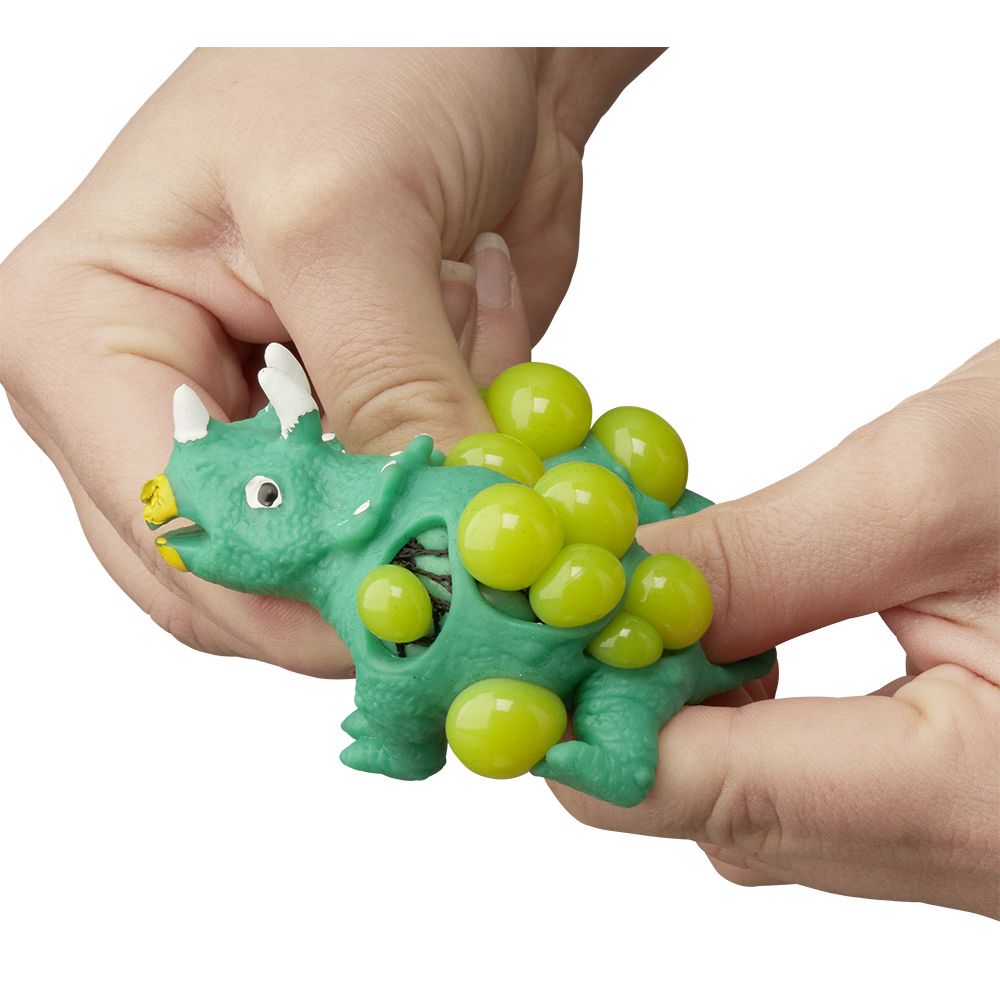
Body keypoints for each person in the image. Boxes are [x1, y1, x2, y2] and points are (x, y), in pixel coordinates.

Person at [0, 48, 996, 918]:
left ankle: (616, 742)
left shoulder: (395, 554)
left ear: (349, 503)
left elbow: (400, 682)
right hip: (587, 579)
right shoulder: (375, 583)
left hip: (626, 612)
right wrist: (529, 55)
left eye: (264, 497)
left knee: (621, 678)